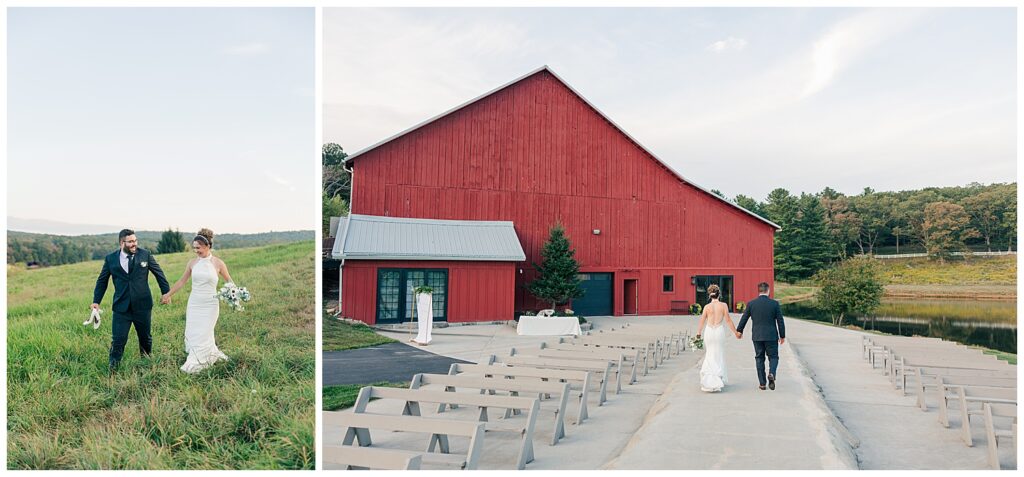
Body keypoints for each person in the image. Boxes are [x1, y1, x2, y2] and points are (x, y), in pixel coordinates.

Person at [92, 228, 170, 373]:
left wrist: (166, 292)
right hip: (121, 307)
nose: (134, 244)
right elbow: (102, 281)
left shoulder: (145, 255)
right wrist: (96, 301)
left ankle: (146, 364)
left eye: (135, 241)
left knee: (145, 338)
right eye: (130, 242)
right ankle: (113, 369)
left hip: (143, 306)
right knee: (118, 340)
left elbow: (159, 273)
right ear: (122, 243)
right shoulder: (110, 259)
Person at [163, 228, 234, 374]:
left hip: (210, 304)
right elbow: (182, 281)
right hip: (195, 303)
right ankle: (200, 353)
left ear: (208, 246)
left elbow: (229, 281)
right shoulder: (192, 263)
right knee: (194, 331)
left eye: (198, 248)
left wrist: (235, 293)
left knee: (205, 331)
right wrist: (168, 294)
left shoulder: (218, 263)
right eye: (194, 248)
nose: (196, 250)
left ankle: (200, 360)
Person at [736, 282, 786, 391]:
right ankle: (772, 373)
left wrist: (739, 330)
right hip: (771, 336)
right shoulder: (774, 304)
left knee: (759, 358)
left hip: (757, 336)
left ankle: (762, 384)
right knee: (773, 357)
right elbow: (780, 321)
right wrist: (782, 335)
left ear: (759, 291)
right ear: (768, 291)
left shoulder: (751, 304)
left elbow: (744, 318)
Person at [695, 284, 740, 392]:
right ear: (719, 294)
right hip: (719, 331)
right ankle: (717, 379)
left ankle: (708, 380)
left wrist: (698, 333)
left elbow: (702, 321)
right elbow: (728, 320)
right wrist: (736, 332)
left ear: (710, 295)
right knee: (719, 353)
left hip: (709, 331)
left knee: (710, 353)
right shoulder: (723, 305)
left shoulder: (707, 307)